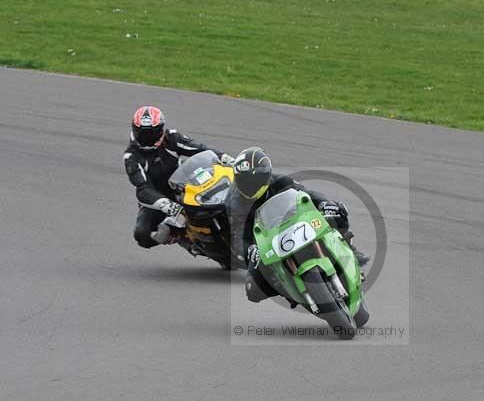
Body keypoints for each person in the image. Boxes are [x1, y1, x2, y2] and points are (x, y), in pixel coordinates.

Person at [225, 147, 369, 303]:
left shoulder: (279, 181)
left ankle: (349, 250)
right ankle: (290, 291)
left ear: (265, 176)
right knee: (253, 290)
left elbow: (306, 194)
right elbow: (237, 236)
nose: (248, 185)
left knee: (336, 212)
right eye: (243, 180)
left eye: (251, 181)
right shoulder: (235, 204)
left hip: (290, 222)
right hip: (263, 240)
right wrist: (250, 250)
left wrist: (326, 203)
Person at [123, 105, 234, 248]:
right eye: (142, 134)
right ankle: (179, 235)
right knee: (142, 234)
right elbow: (142, 189)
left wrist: (224, 157)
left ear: (161, 130)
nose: (147, 139)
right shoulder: (131, 157)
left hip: (184, 185)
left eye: (151, 134)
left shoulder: (171, 138)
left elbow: (199, 148)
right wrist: (166, 205)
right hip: (158, 197)